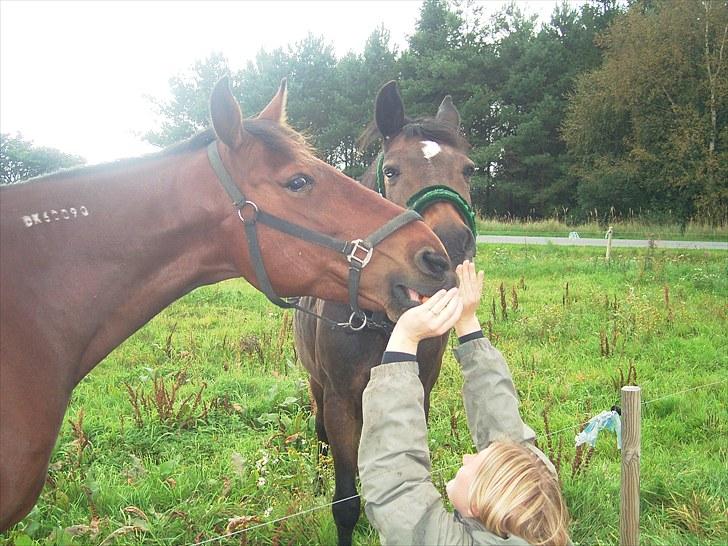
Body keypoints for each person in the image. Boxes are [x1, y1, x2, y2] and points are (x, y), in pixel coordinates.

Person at [358, 260, 570, 545]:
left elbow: (397, 487)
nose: (466, 457)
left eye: (474, 464)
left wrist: (406, 337)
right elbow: (514, 447)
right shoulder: (535, 525)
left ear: (477, 506)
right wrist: (467, 321)